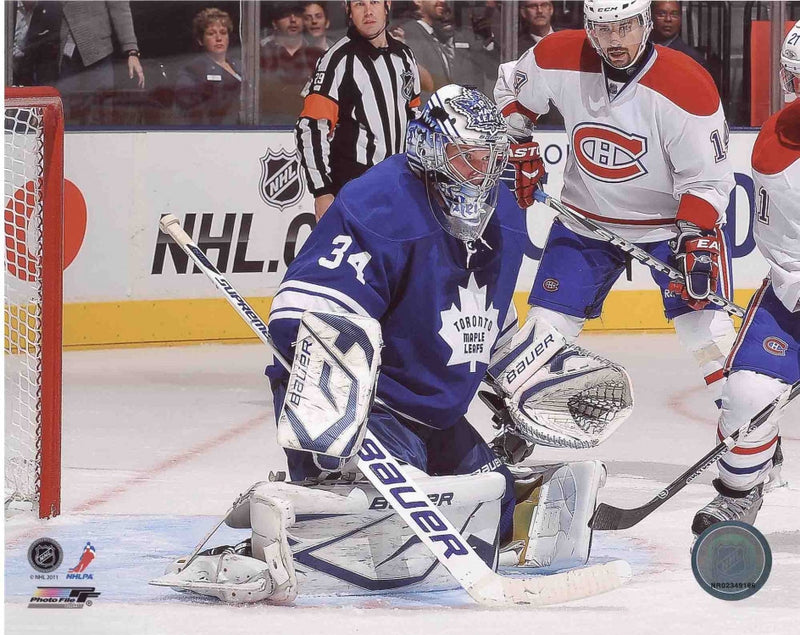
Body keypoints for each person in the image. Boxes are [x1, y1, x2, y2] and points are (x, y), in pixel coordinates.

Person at [155, 86, 625, 604]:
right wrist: (340, 411)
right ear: (428, 149)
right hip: (366, 406)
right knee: (387, 529)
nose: (482, 173)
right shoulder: (381, 203)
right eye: (466, 156)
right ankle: (258, 546)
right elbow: (300, 315)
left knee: (490, 499)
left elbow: (486, 312)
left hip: (431, 413)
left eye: (491, 158)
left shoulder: (506, 211)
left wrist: (521, 374)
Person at [494, 0, 737, 404]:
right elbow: (511, 87)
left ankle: (745, 429)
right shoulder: (557, 55)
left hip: (667, 226)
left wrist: (696, 238)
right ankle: (523, 427)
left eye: (625, 27)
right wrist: (518, 140)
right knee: (543, 335)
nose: (615, 40)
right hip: (585, 220)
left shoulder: (687, 84)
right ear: (589, 28)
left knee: (708, 336)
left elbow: (708, 178)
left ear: (646, 23)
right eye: (603, 29)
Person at [691, 21, 800, 536]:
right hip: (793, 298)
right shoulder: (778, 150)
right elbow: (786, 256)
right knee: (748, 394)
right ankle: (740, 492)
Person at [295, 0, 421, 221]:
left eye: (374, 2)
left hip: (401, 187)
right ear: (349, 11)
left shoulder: (404, 56)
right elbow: (311, 127)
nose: (368, 11)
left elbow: (415, 119)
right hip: (355, 189)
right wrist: (322, 192)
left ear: (387, 5)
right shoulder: (337, 59)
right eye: (359, 4)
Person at [55, 1, 145, 125]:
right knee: (63, 118)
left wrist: (131, 51)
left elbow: (120, 9)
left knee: (100, 118)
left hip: (99, 56)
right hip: (67, 57)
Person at [174, 8, 242, 126]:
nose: (219, 38)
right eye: (211, 33)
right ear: (201, 40)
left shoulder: (240, 65)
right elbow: (188, 111)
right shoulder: (192, 71)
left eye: (223, 32)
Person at [260, 3, 324, 125]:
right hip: (268, 125)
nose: (293, 20)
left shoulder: (317, 55)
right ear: (274, 23)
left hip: (308, 125)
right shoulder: (261, 53)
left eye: (298, 15)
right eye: (286, 15)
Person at [398, 0, 452, 102]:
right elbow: (417, 84)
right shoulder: (410, 34)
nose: (442, 1)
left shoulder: (434, 35)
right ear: (418, 1)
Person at [649, 1, 706, 70]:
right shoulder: (641, 50)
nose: (668, 19)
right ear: (650, 17)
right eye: (661, 14)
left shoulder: (692, 58)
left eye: (674, 15)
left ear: (680, 18)